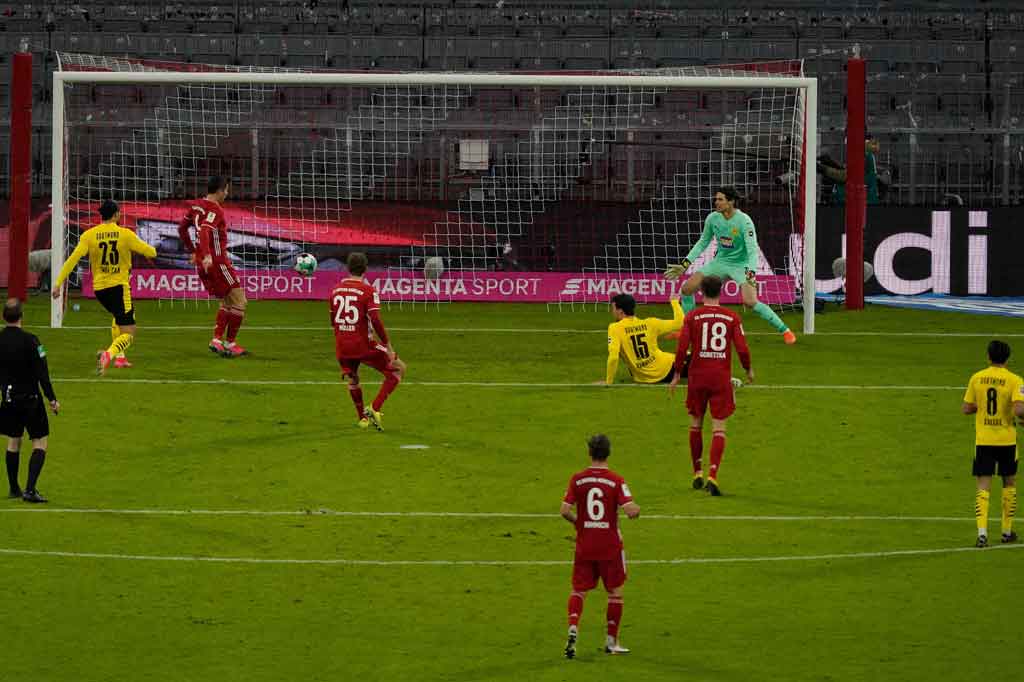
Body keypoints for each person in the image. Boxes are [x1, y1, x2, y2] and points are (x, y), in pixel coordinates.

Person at [663, 186, 795, 345]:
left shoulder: (744, 221)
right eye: (715, 199)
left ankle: (785, 331)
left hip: (742, 265)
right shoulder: (713, 218)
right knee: (686, 289)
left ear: (731, 202)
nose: (716, 202)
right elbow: (702, 242)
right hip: (721, 262)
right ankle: (688, 330)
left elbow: (752, 250)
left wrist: (751, 273)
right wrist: (684, 264)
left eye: (720, 199)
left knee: (750, 301)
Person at [52, 199, 157, 375]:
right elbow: (151, 252)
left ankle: (121, 358)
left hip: (100, 290)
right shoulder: (125, 234)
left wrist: (58, 284)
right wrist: (144, 249)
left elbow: (72, 260)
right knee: (129, 332)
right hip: (119, 287)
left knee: (118, 317)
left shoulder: (89, 235)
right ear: (116, 215)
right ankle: (108, 355)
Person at [669, 276, 753, 496]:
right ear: (721, 292)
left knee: (695, 424)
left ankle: (697, 472)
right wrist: (748, 369)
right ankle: (712, 476)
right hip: (720, 378)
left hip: (697, 377)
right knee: (719, 428)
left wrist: (677, 374)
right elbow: (742, 348)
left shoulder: (693, 317)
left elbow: (681, 348)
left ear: (701, 292)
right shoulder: (731, 317)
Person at [561, 434, 640, 659]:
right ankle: (611, 642)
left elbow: (564, 510)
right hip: (610, 546)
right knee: (615, 592)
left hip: (585, 544)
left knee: (579, 590)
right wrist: (637, 510)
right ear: (608, 453)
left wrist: (582, 525)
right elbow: (630, 509)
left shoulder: (577, 479)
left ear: (589, 453)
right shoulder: (616, 480)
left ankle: (573, 628)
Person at [331, 252, 406, 431]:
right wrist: (387, 345)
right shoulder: (368, 290)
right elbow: (376, 319)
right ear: (365, 269)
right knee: (399, 369)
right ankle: (375, 408)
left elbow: (333, 321)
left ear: (348, 268)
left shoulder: (335, 290)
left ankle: (362, 419)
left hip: (342, 345)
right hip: (362, 344)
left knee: (353, 379)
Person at [961, 340, 1024, 548]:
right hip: (1006, 440)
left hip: (984, 440)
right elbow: (1019, 410)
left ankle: (982, 534)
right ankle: (1006, 532)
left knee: (983, 485)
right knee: (1009, 482)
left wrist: (980, 406)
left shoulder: (977, 378)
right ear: (1007, 358)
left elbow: (966, 408)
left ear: (988, 356)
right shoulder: (1015, 380)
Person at [177, 176, 249, 357]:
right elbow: (205, 231)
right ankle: (230, 343)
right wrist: (208, 254)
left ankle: (217, 340)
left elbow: (181, 229)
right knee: (240, 301)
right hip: (217, 262)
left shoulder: (195, 206)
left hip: (204, 263)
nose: (226, 194)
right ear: (219, 191)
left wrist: (194, 252)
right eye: (226, 190)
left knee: (226, 302)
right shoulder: (215, 209)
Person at [0, 299, 59, 503]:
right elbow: (43, 373)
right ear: (21, 317)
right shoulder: (33, 341)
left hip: (8, 399)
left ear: (3, 317)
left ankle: (14, 488)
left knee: (13, 440)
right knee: (40, 442)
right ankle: (30, 489)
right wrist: (52, 399)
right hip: (31, 400)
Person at [605, 293, 688, 385]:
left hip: (642, 377)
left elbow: (613, 357)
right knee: (697, 356)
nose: (612, 311)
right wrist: (675, 302)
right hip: (669, 370)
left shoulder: (615, 328)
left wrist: (609, 382)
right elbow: (680, 323)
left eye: (613, 309)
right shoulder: (650, 324)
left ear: (621, 312)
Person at [818, 135, 881, 206]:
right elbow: (852, 172)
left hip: (859, 202)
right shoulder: (866, 153)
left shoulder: (862, 154)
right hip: (864, 200)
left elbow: (845, 176)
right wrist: (830, 163)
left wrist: (822, 168)